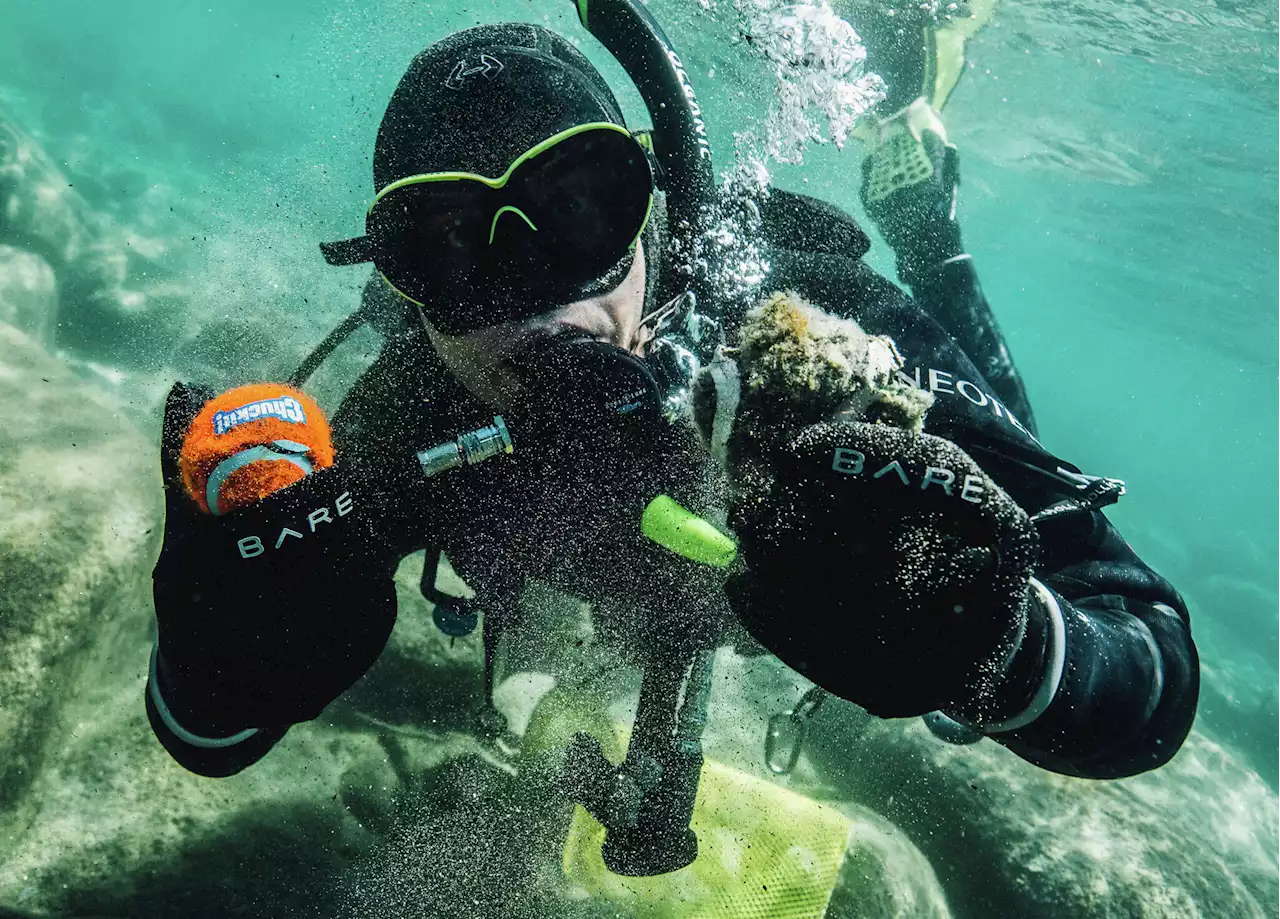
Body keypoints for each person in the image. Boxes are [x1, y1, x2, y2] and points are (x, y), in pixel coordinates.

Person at [145, 0, 1197, 877]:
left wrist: (1001, 645)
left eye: (580, 211)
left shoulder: (803, 341)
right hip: (626, 599)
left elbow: (1146, 657)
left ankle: (928, 224)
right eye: (453, 247)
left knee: (976, 454)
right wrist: (219, 652)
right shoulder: (403, 420)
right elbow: (211, 735)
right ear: (402, 286)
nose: (537, 299)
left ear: (646, 215)